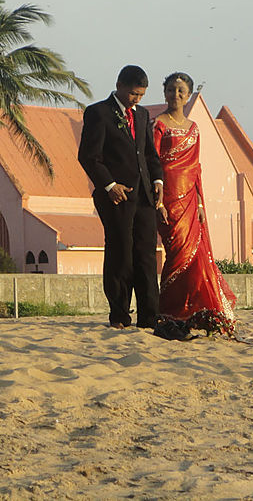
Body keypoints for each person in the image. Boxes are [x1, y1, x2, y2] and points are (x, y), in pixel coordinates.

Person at [78, 65, 165, 329]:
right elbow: (89, 157)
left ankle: (149, 316)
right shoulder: (98, 113)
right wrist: (110, 185)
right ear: (119, 86)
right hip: (116, 198)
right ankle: (119, 315)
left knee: (146, 256)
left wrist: (158, 180)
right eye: (133, 94)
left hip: (145, 197)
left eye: (141, 95)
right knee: (121, 255)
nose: (136, 99)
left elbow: (149, 154)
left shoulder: (142, 115)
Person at [152, 72, 237, 336]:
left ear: (188, 96)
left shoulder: (194, 128)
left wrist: (200, 204)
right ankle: (169, 311)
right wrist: (158, 202)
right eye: (171, 90)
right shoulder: (159, 124)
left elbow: (196, 168)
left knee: (195, 258)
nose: (175, 95)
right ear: (164, 92)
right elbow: (153, 163)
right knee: (176, 254)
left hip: (190, 199)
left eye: (181, 91)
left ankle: (194, 311)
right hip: (168, 199)